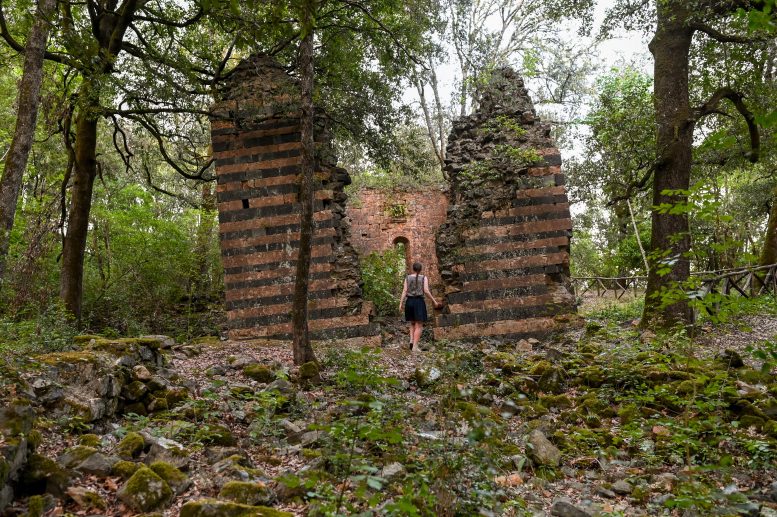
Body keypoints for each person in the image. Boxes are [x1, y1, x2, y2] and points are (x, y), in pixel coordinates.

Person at [399, 262, 440, 352]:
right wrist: (434, 301)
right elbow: (426, 290)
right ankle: (414, 346)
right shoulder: (424, 277)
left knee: (412, 323)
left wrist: (401, 303)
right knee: (419, 325)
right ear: (420, 269)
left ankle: (411, 340)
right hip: (418, 302)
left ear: (413, 269)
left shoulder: (407, 278)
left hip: (409, 302)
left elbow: (405, 290)